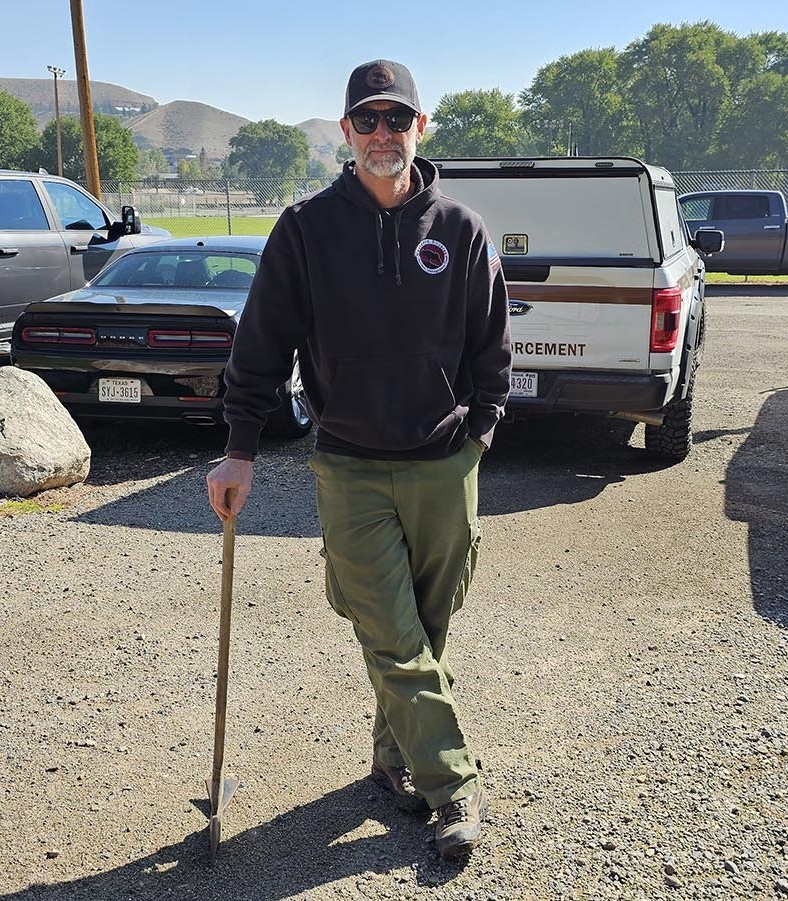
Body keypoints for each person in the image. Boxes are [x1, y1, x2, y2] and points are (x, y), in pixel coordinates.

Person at [205, 58, 511, 859]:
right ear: (345, 132)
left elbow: (492, 348)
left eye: (396, 119)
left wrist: (480, 431)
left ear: (421, 128)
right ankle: (454, 786)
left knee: (424, 629)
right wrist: (238, 449)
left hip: (446, 461)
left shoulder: (461, 230)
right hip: (349, 464)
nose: (383, 134)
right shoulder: (307, 229)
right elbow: (261, 343)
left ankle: (391, 759)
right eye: (367, 120)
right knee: (390, 629)